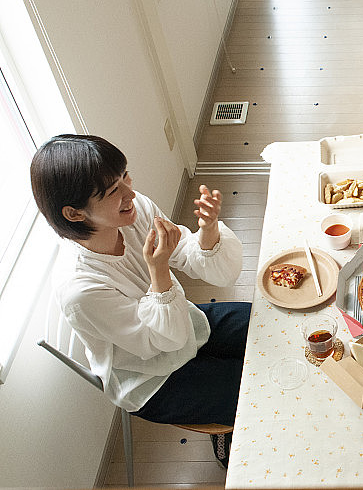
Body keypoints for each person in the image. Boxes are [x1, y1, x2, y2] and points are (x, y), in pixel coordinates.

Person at [30, 134, 249, 467]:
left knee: (268, 329)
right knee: (258, 386)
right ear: (74, 214)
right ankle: (228, 441)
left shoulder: (132, 211)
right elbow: (159, 342)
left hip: (182, 324)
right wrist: (158, 271)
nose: (130, 194)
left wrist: (207, 231)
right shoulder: (80, 290)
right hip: (151, 377)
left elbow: (188, 255)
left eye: (124, 178)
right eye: (112, 191)